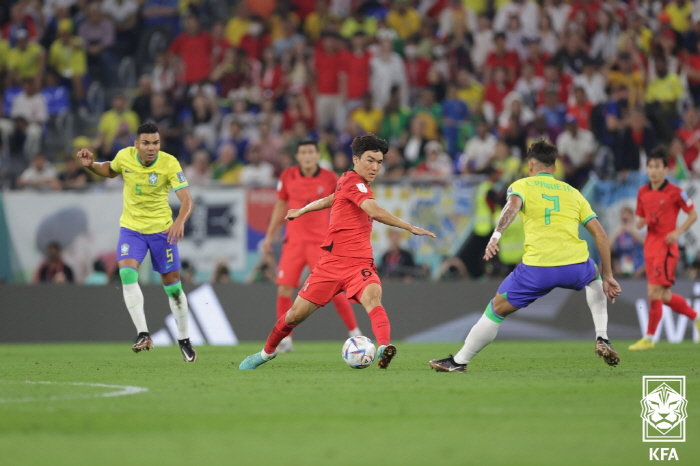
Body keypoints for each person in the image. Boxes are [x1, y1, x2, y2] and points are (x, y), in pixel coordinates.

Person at [241, 134, 436, 370]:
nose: (375, 167)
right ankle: (265, 354)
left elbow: (333, 198)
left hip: (360, 263)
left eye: (379, 162)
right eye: (370, 160)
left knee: (373, 299)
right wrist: (409, 227)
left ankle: (384, 347)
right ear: (355, 159)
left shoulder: (349, 182)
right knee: (293, 316)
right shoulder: (353, 181)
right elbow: (372, 211)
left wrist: (303, 209)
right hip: (331, 264)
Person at [429, 140, 622, 373]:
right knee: (595, 277)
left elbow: (511, 207)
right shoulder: (573, 193)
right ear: (555, 166)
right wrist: (609, 274)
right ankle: (602, 337)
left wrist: (496, 235)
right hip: (575, 264)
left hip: (538, 269)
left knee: (496, 309)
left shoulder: (523, 185)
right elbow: (600, 235)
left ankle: (459, 361)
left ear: (531, 166)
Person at [76, 122, 197, 362]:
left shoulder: (169, 163)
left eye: (155, 143)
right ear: (136, 144)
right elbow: (109, 169)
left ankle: (183, 339)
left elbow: (187, 200)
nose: (151, 148)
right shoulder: (125, 157)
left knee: (173, 289)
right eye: (146, 143)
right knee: (127, 274)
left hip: (163, 232)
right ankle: (143, 334)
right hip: (132, 230)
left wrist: (179, 221)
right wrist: (91, 166)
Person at [261, 139, 363, 353]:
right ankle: (286, 339)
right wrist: (270, 236)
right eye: (303, 152)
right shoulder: (287, 176)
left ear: (317, 156)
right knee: (284, 288)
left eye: (310, 152)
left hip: (321, 243)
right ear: (298, 156)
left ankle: (355, 332)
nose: (307, 156)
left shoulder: (330, 178)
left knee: (333, 290)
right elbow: (280, 206)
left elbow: (342, 206)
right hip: (294, 242)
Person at [629, 148, 700, 350]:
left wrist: (677, 232)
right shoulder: (642, 191)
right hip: (650, 248)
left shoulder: (676, 192)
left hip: (666, 248)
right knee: (664, 296)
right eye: (650, 166)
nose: (653, 171)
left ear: (665, 169)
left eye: (657, 167)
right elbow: (640, 219)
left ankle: (649, 339)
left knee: (653, 292)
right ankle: (696, 318)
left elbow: (693, 215)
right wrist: (641, 223)